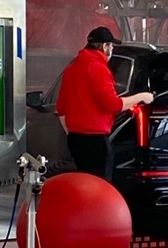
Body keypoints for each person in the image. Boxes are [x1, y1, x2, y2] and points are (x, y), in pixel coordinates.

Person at [55, 27, 153, 181]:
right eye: (111, 46)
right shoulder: (98, 69)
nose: (112, 49)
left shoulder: (72, 69)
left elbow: (60, 107)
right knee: (99, 187)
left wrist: (73, 132)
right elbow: (113, 105)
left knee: (84, 184)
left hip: (76, 139)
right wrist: (141, 96)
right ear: (105, 46)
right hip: (96, 141)